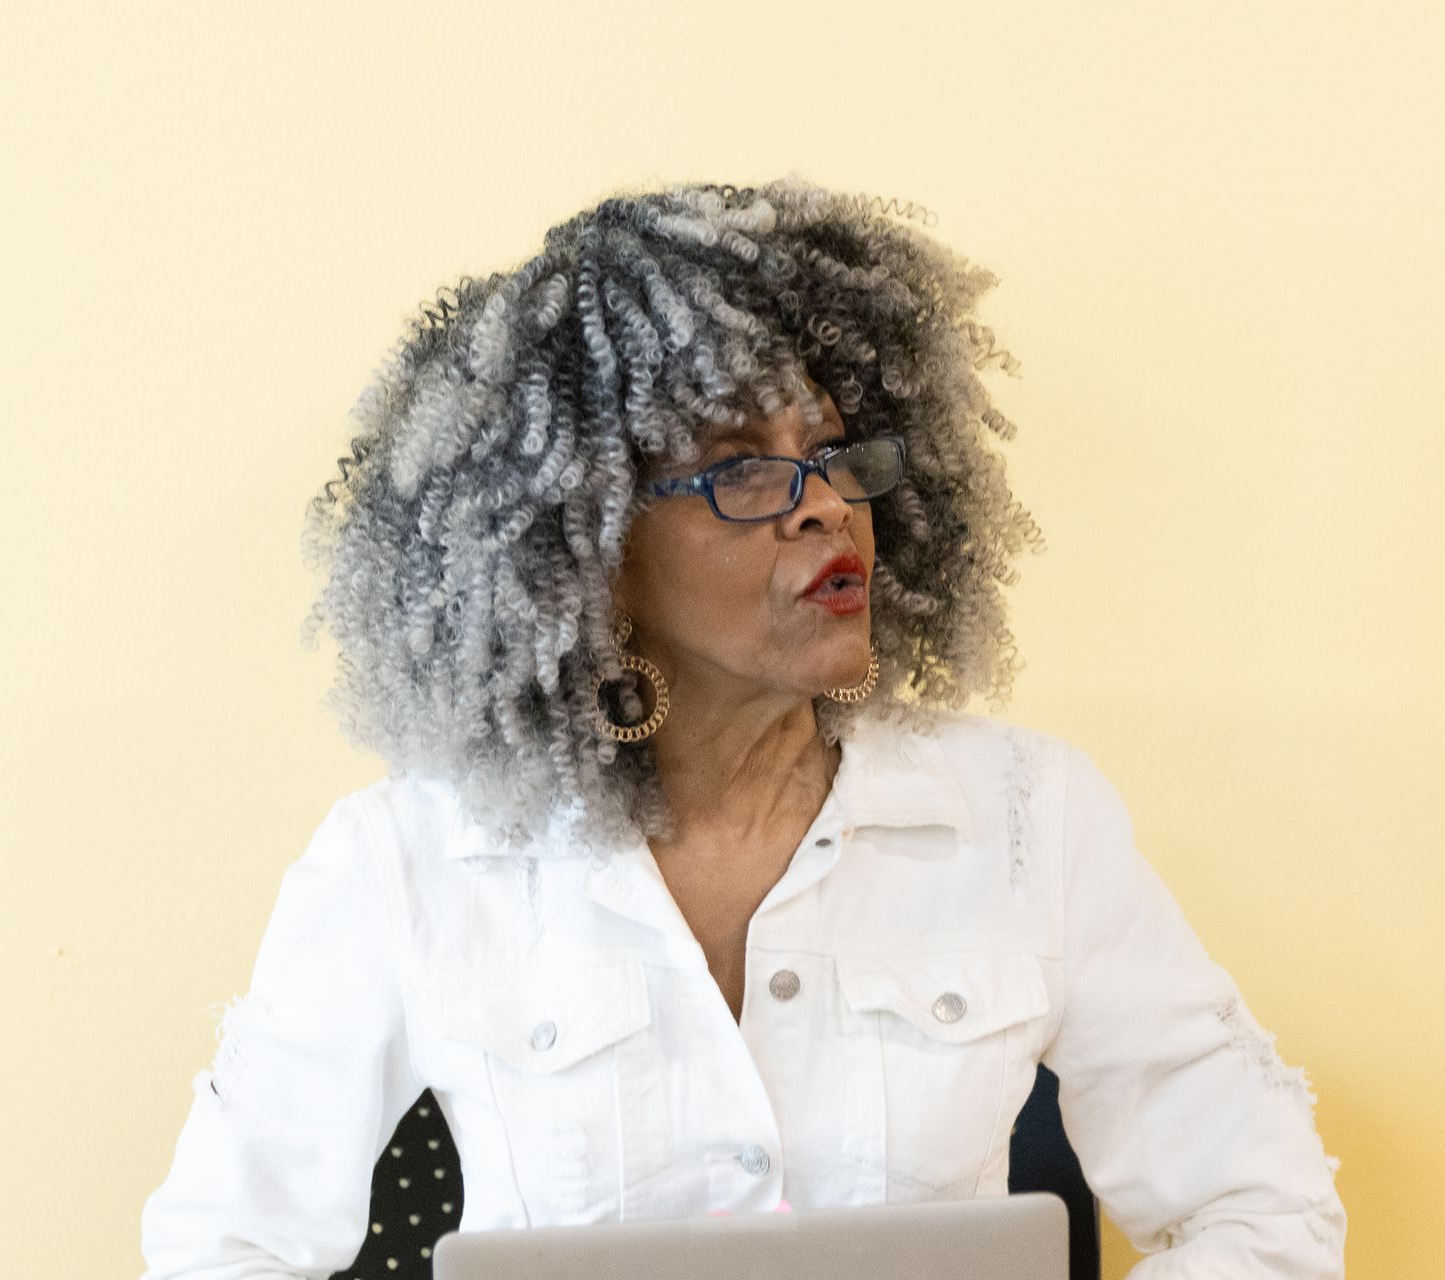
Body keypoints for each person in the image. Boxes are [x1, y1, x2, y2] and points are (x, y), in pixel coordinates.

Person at [138, 175, 1346, 1278]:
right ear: (590, 550)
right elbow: (220, 1248)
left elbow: (1269, 1205)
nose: (824, 504)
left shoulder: (1029, 817)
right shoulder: (406, 860)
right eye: (742, 468)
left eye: (831, 452)